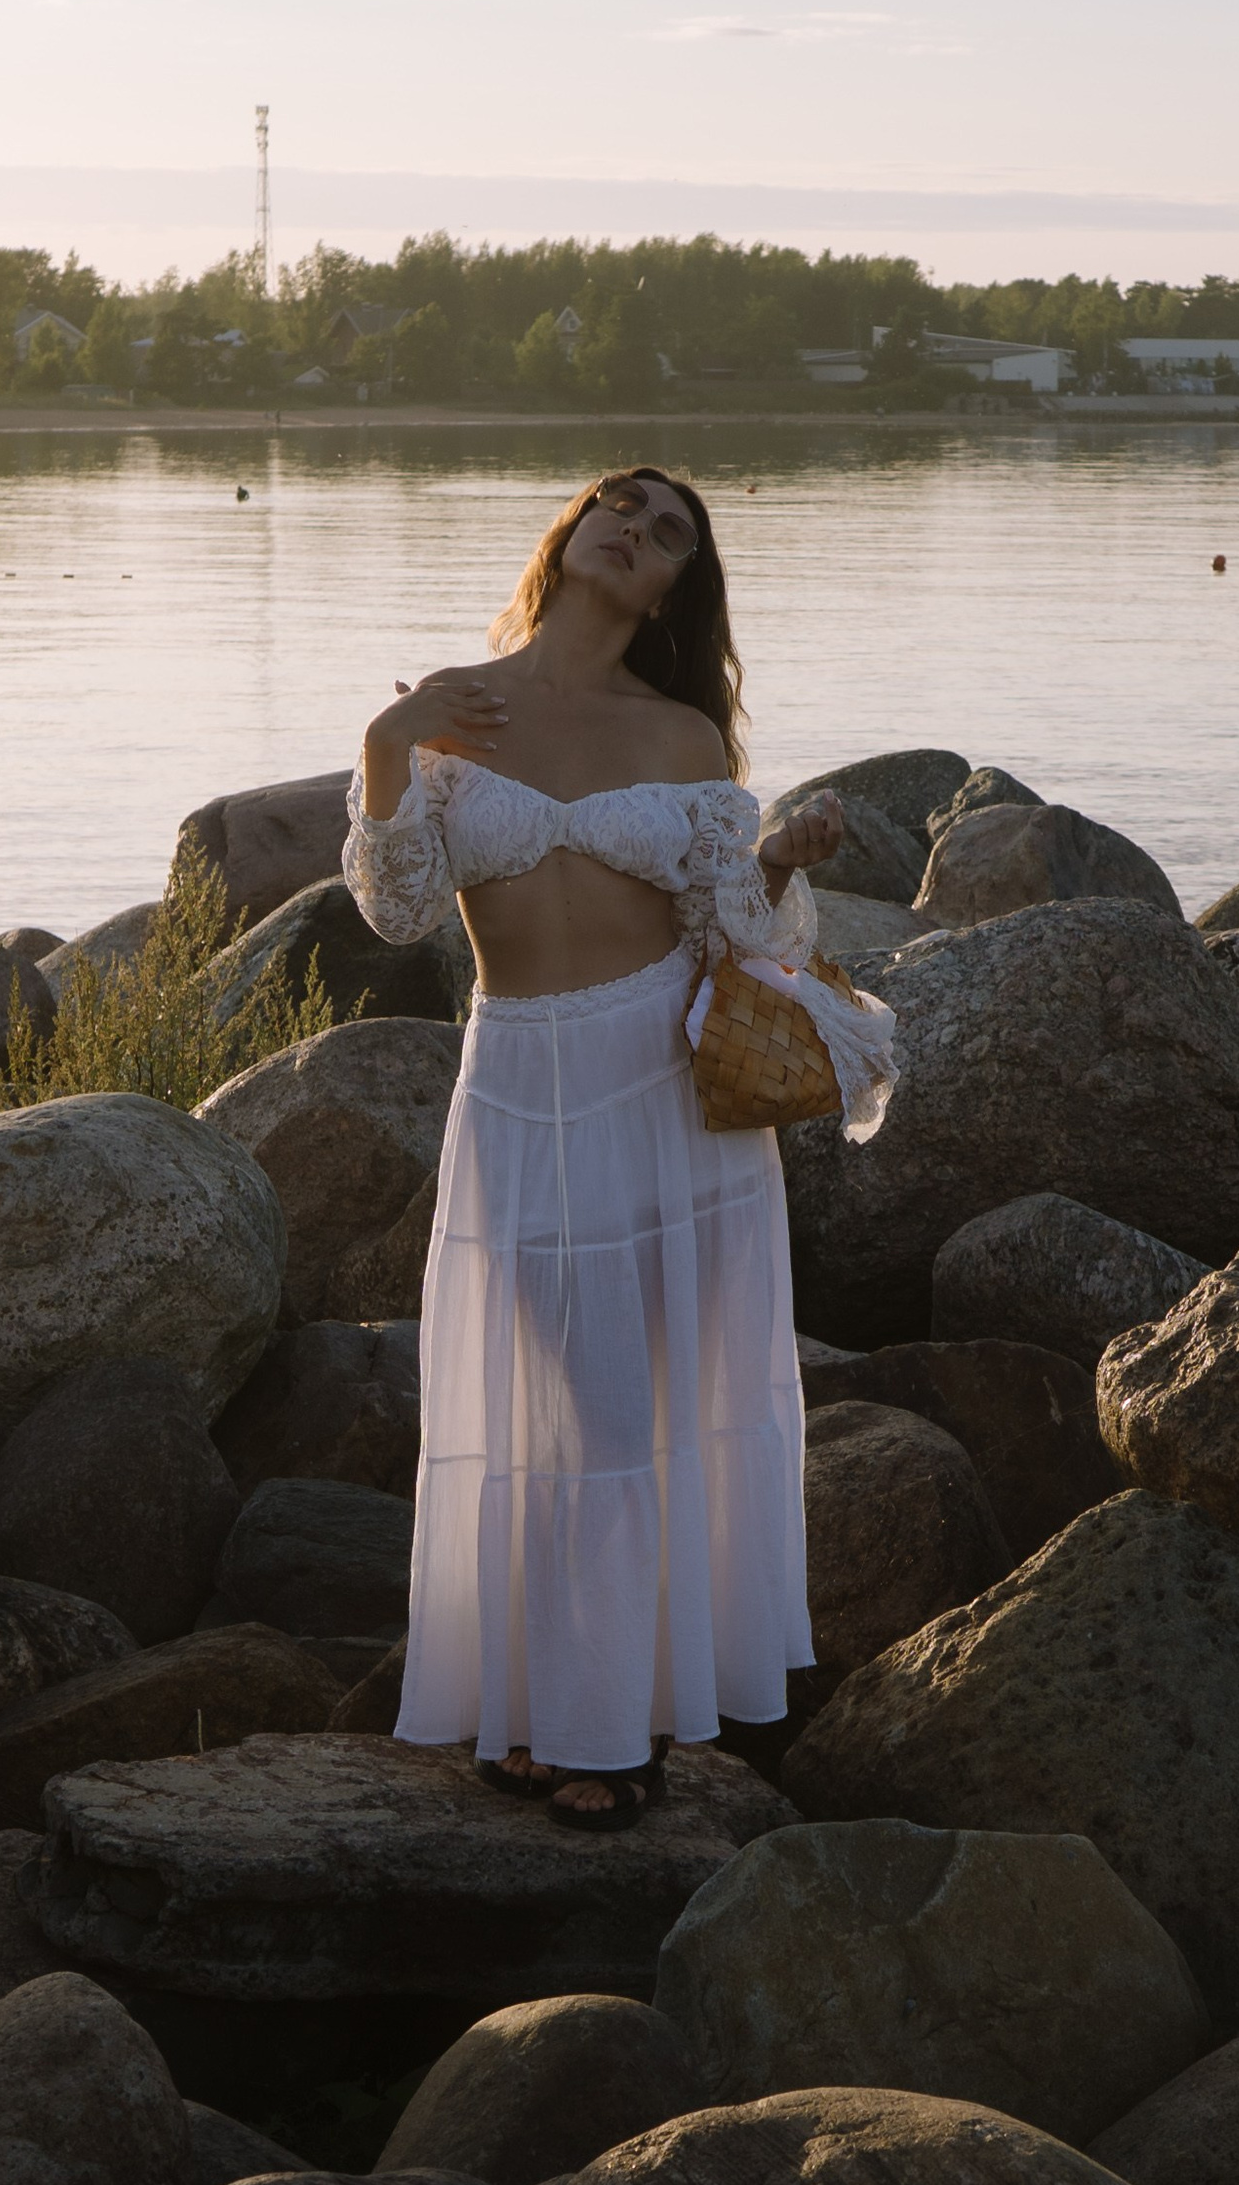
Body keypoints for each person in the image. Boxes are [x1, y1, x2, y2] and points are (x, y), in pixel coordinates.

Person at [344, 466, 897, 1827]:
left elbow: (735, 939)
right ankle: (538, 1706)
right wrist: (386, 742)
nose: (636, 534)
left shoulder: (684, 740)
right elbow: (400, 909)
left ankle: (610, 1732)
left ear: (668, 592)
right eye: (623, 507)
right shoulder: (454, 710)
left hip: (656, 1081)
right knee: (541, 1404)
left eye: (667, 540)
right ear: (573, 531)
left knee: (614, 1411)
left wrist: (778, 864)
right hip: (520, 1078)